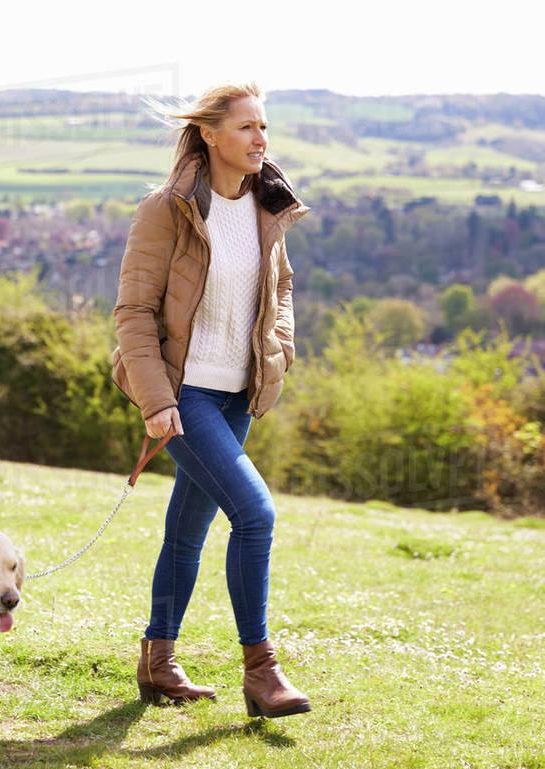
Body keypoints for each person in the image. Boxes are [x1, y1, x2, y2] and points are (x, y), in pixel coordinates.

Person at [110, 81, 312, 718]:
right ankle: (262, 671)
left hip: (235, 396)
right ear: (210, 135)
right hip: (185, 393)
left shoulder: (267, 206)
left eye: (264, 127)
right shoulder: (166, 210)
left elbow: (279, 292)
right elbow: (134, 313)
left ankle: (157, 658)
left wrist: (277, 351)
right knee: (255, 515)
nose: (261, 139)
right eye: (248, 127)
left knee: (188, 529)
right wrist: (155, 400)